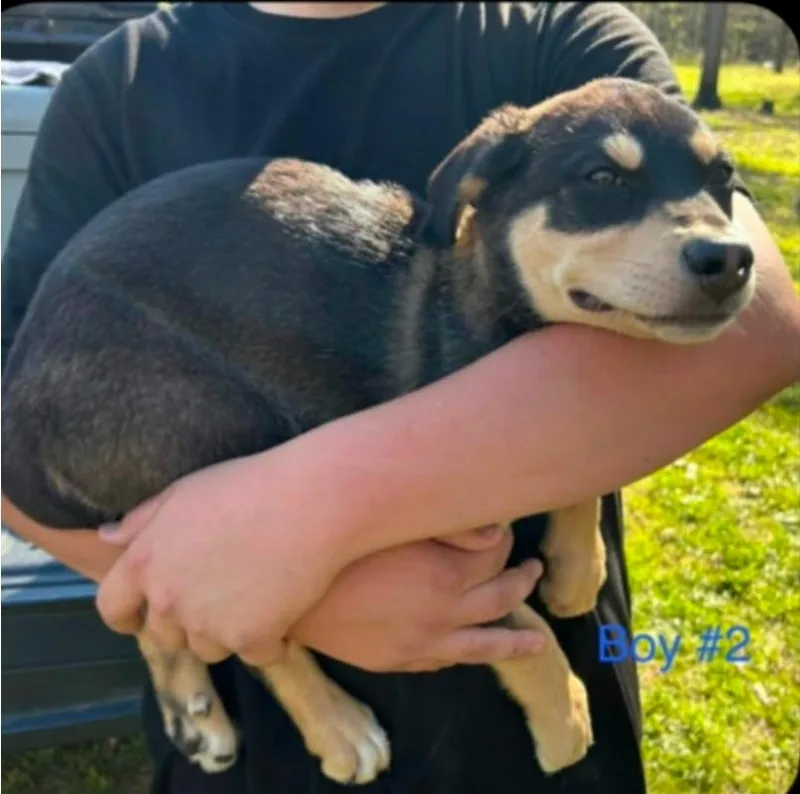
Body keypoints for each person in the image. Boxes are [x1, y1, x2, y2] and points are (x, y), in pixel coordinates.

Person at [2, 2, 798, 792]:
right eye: (601, 179)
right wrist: (282, 593)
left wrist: (322, 510)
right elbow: (19, 429)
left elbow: (762, 326)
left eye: (717, 180)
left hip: (533, 745)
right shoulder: (122, 82)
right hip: (261, 746)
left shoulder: (560, 32)